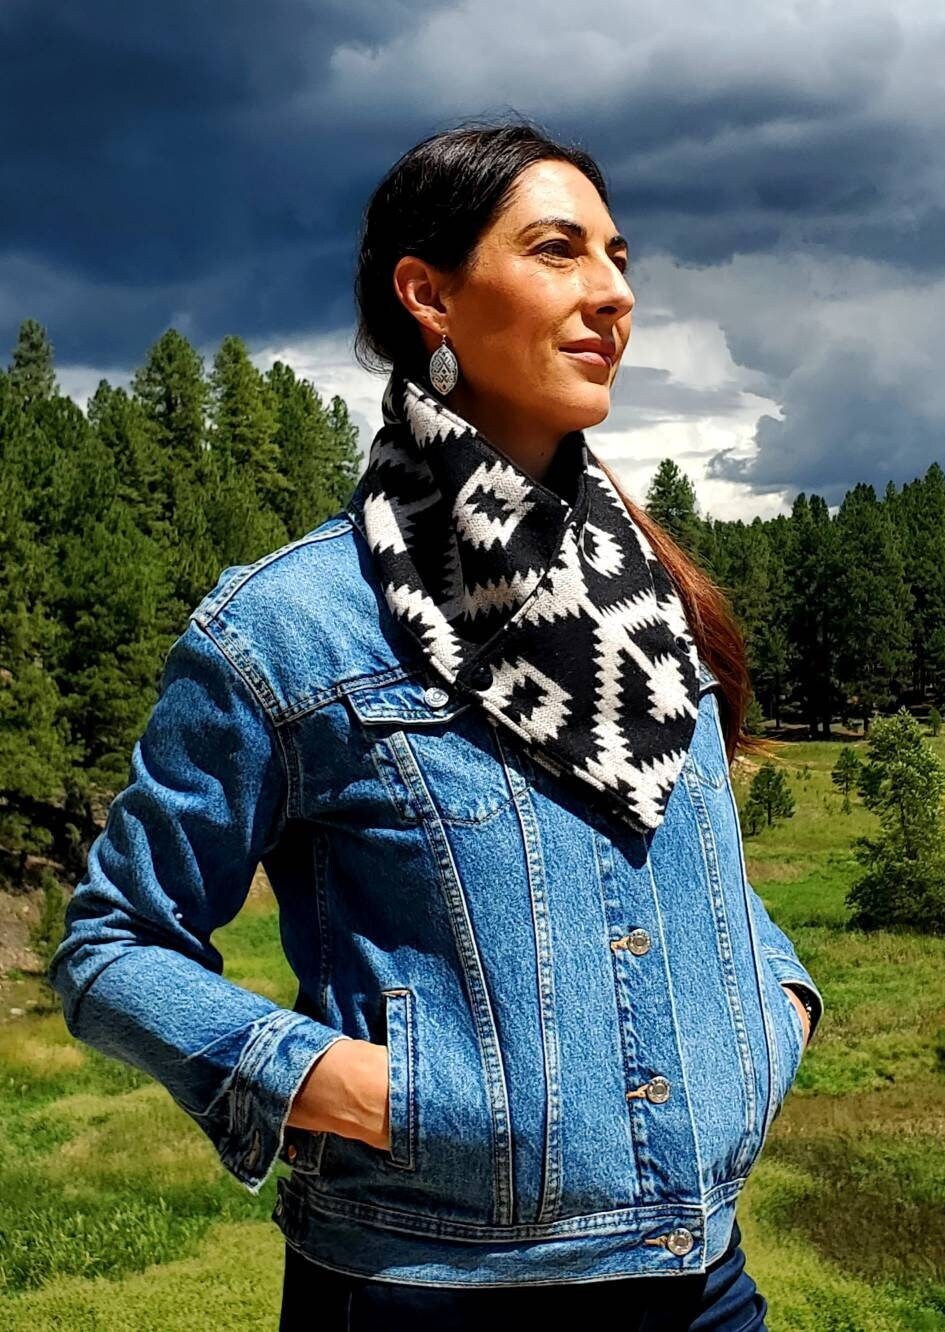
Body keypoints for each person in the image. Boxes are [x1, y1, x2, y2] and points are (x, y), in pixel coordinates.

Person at [48, 119, 824, 1331]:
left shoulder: (651, 599)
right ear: (429, 296)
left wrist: (773, 1007)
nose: (612, 292)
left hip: (700, 1277)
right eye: (558, 250)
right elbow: (111, 947)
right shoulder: (290, 626)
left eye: (617, 256)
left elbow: (695, 861)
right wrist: (349, 1087)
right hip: (432, 1289)